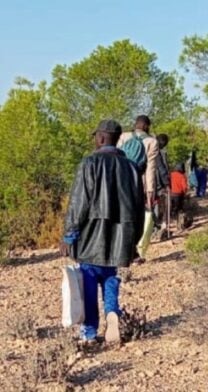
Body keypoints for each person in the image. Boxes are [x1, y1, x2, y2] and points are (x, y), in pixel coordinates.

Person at [60, 119, 145, 343]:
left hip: (91, 234)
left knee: (88, 280)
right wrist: (134, 241)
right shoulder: (131, 167)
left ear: (100, 137)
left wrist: (69, 234)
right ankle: (111, 312)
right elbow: (139, 207)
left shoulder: (89, 163)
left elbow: (79, 202)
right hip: (121, 234)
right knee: (109, 276)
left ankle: (89, 332)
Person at [117, 115, 159, 262]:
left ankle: (116, 248)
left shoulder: (123, 136)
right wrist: (150, 191)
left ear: (135, 125)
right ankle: (132, 251)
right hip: (137, 183)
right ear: (147, 126)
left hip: (119, 180)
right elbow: (151, 169)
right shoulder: (152, 142)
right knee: (135, 217)